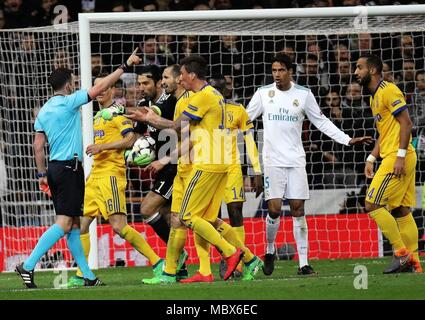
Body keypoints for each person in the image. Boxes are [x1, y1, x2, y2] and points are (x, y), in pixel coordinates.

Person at [15, 49, 141, 289]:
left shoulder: (44, 110)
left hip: (54, 169)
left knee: (73, 225)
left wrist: (42, 174)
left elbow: (38, 146)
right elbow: (100, 87)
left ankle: (88, 276)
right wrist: (124, 65)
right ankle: (28, 265)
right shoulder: (68, 102)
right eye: (73, 82)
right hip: (69, 169)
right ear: (69, 85)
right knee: (64, 224)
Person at [246, 54, 372, 276]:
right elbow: (244, 119)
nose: (277, 75)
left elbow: (321, 121)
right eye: (274, 70)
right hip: (272, 161)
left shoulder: (303, 95)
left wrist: (347, 139)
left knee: (298, 209)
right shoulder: (263, 94)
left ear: (290, 71)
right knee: (274, 210)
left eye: (281, 70)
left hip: (295, 160)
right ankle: (269, 249)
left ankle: (303, 263)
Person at [126, 55, 243, 283]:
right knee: (195, 219)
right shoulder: (212, 95)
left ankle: (232, 252)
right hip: (209, 161)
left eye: (180, 74)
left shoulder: (200, 98)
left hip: (204, 162)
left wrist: (150, 120)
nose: (179, 78)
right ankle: (187, 271)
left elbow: (175, 126)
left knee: (189, 216)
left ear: (190, 75)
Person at [60, 73, 165, 288]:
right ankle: (82, 274)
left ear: (112, 90)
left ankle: (158, 263)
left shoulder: (116, 115)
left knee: (119, 227)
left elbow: (130, 139)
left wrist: (102, 147)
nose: (100, 91)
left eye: (104, 88)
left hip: (111, 177)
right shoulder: (98, 117)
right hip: (96, 177)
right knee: (81, 225)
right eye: (96, 88)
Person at [354, 54, 422, 273]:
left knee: (372, 205)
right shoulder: (374, 97)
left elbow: (407, 123)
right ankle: (415, 264)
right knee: (401, 209)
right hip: (394, 154)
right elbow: (384, 132)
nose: (356, 72)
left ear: (372, 71)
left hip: (398, 157)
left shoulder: (389, 90)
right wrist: (371, 158)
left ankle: (402, 254)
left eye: (359, 68)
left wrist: (400, 156)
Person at [208, 74, 264, 280]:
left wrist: (256, 171)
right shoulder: (203, 109)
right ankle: (229, 255)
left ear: (226, 91)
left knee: (235, 212)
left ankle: (239, 265)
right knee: (210, 217)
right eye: (211, 89)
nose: (214, 93)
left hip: (231, 169)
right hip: (208, 170)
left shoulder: (237, 110)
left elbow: (250, 140)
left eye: (218, 89)